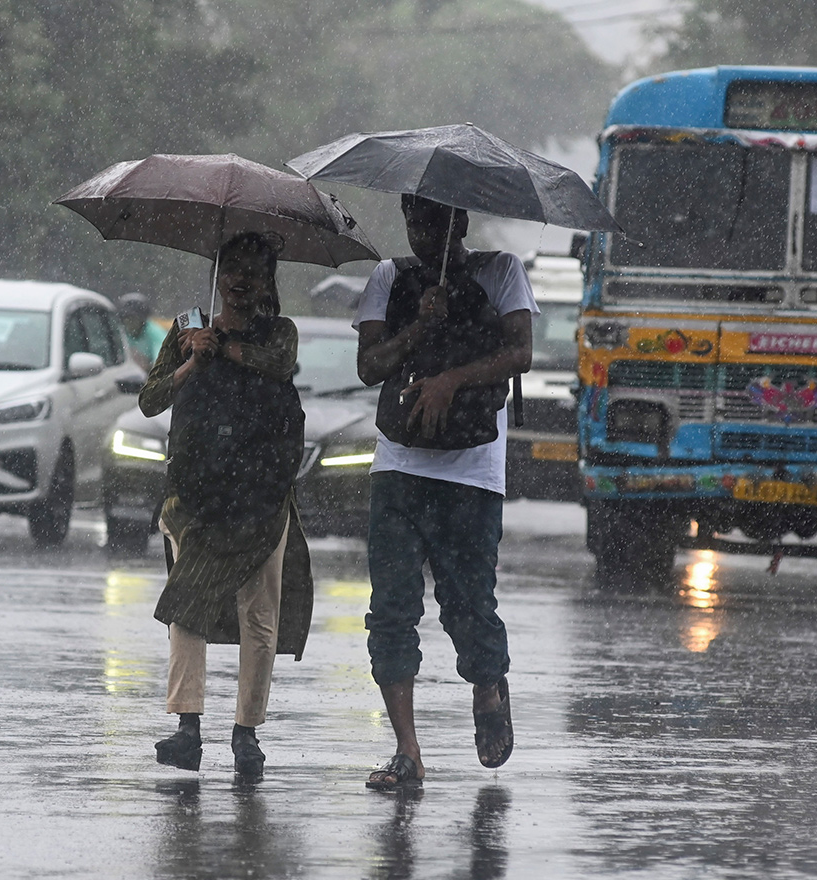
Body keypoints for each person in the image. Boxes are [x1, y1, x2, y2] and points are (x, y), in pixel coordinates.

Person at [353, 194, 537, 790]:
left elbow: (521, 352)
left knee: (467, 603)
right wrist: (419, 327)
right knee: (392, 611)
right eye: (412, 219)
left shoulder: (501, 272)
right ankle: (407, 752)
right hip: (399, 468)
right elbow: (369, 364)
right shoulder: (391, 277)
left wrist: (452, 379)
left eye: (433, 220)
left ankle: (488, 685)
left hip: (471, 473)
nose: (420, 232)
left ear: (461, 221)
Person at [138, 232, 314, 785]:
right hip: (194, 498)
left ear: (267, 282)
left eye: (253, 271)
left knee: (258, 616)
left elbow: (278, 365)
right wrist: (191, 357)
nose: (240, 279)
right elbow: (150, 400)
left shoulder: (280, 334)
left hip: (262, 499)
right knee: (185, 604)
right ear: (217, 274)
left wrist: (228, 347)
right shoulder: (186, 328)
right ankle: (188, 729)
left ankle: (246, 734)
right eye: (231, 268)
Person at [118, 292, 169, 369]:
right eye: (126, 318)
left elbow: (163, 359)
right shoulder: (119, 332)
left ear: (143, 320)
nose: (130, 322)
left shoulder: (154, 332)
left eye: (134, 318)